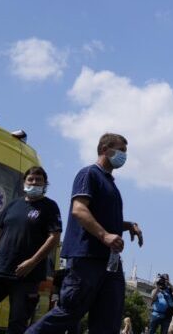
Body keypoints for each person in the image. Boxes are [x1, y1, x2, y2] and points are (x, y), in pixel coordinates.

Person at [27, 133, 144, 334]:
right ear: (106, 150)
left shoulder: (110, 183)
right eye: (121, 150)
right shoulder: (89, 174)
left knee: (109, 318)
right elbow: (79, 209)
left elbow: (104, 218)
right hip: (87, 258)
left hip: (110, 262)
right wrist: (105, 236)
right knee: (69, 312)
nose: (124, 156)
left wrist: (127, 225)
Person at [0, 166, 61, 334]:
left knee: (18, 322)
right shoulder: (13, 205)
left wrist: (32, 262)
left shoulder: (50, 207)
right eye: (30, 179)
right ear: (24, 182)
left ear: (45, 184)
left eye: (38, 180)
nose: (34, 183)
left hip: (26, 275)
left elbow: (54, 237)